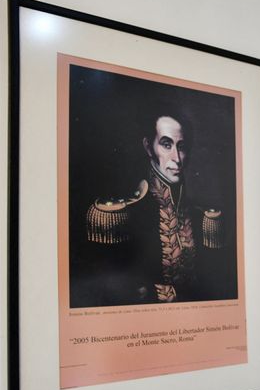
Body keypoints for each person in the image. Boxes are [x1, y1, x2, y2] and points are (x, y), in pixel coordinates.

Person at [73, 112, 235, 306]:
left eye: (181, 147)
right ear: (149, 147)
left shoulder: (206, 219)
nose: (176, 158)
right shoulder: (118, 215)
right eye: (166, 145)